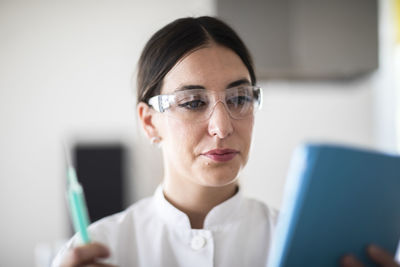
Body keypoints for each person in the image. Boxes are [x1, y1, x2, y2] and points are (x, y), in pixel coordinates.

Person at [52, 16, 399, 267]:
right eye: (192, 102)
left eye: (238, 99)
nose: (222, 127)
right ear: (148, 121)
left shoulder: (308, 253)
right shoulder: (98, 250)